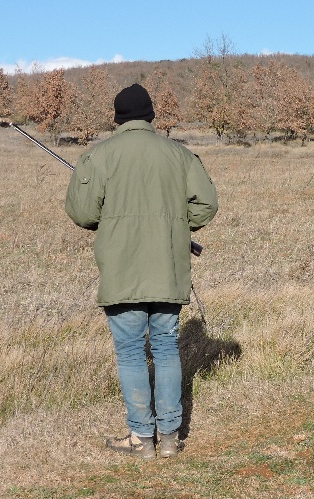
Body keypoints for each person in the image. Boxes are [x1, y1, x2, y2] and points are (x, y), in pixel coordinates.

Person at [65, 83, 218, 459]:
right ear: (151, 115)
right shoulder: (179, 155)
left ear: (117, 119)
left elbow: (82, 213)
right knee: (166, 347)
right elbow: (207, 205)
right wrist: (179, 226)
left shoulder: (98, 156)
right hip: (167, 269)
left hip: (122, 271)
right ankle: (169, 438)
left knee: (131, 351)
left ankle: (140, 439)